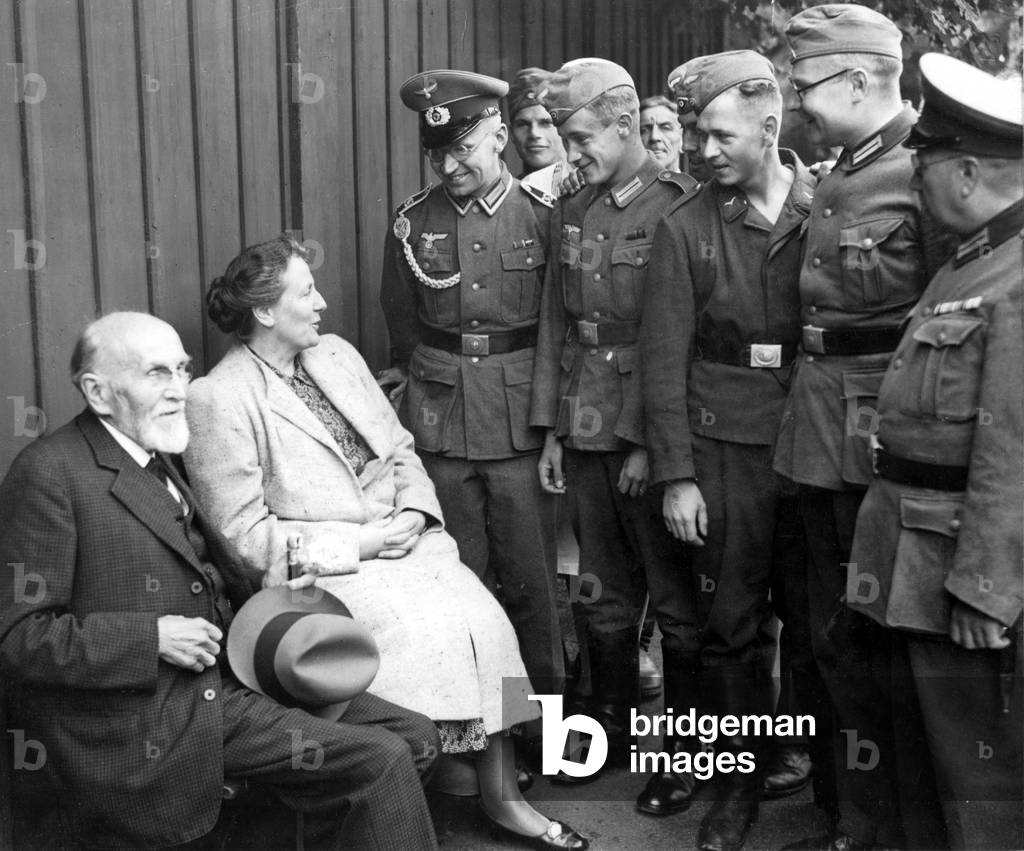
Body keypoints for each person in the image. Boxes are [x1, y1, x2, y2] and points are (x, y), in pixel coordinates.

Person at [184, 236, 587, 851]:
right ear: (264, 312)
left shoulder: (336, 355)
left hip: (405, 541)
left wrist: (419, 516)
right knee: (426, 631)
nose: (322, 302)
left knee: (486, 618)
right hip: (324, 576)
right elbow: (245, 539)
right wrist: (367, 543)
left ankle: (502, 792)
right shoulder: (219, 397)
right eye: (305, 292)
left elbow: (401, 449)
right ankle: (434, 784)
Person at [0, 311, 440, 851]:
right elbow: (20, 638)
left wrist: (271, 587)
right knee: (381, 759)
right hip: (156, 711)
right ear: (98, 392)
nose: (179, 389)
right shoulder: (50, 473)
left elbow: (208, 576)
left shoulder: (161, 454)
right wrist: (152, 639)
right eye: (156, 374)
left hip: (237, 673)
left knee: (415, 737)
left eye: (183, 370)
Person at [772, 6, 954, 850]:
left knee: (877, 641)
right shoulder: (841, 168)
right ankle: (849, 815)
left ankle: (888, 827)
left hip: (881, 442)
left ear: (857, 78)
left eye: (805, 86)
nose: (796, 103)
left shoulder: (928, 170)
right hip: (817, 431)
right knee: (829, 635)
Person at [640, 50, 816, 851]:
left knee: (818, 623)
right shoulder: (685, 227)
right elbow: (663, 360)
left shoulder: (826, 208)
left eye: (717, 134)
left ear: (769, 127)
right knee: (730, 623)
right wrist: (677, 476)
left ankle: (837, 798)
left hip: (814, 446)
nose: (701, 150)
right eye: (696, 135)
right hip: (724, 451)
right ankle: (734, 792)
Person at [848, 53, 1023, 851]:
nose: (912, 185)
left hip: (958, 562)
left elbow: (1012, 449)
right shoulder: (970, 258)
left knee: (976, 780)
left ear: (965, 171)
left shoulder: (1015, 277)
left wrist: (988, 588)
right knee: (923, 764)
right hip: (912, 547)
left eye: (921, 169)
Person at [530, 58, 698, 782]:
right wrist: (551, 430)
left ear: (627, 125)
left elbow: (676, 343)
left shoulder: (678, 205)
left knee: (679, 604)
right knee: (599, 597)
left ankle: (688, 757)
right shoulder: (572, 203)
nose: (570, 154)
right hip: (583, 425)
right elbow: (553, 325)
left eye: (580, 138)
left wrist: (643, 445)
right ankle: (614, 742)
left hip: (648, 434)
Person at [376, 70, 565, 701]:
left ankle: (545, 727)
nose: (448, 165)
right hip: (442, 424)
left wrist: (550, 425)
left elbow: (557, 331)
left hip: (519, 426)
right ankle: (482, 727)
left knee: (531, 585)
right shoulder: (411, 223)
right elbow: (403, 329)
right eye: (437, 153)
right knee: (460, 585)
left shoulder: (542, 215)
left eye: (462, 148)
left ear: (500, 138)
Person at [508, 67, 570, 197]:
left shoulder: (588, 188)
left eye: (546, 123)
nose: (534, 133)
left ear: (564, 127)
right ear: (511, 133)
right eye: (523, 124)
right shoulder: (511, 197)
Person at [639, 94, 683, 172]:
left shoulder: (693, 184)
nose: (654, 137)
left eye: (666, 128)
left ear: (682, 139)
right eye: (644, 130)